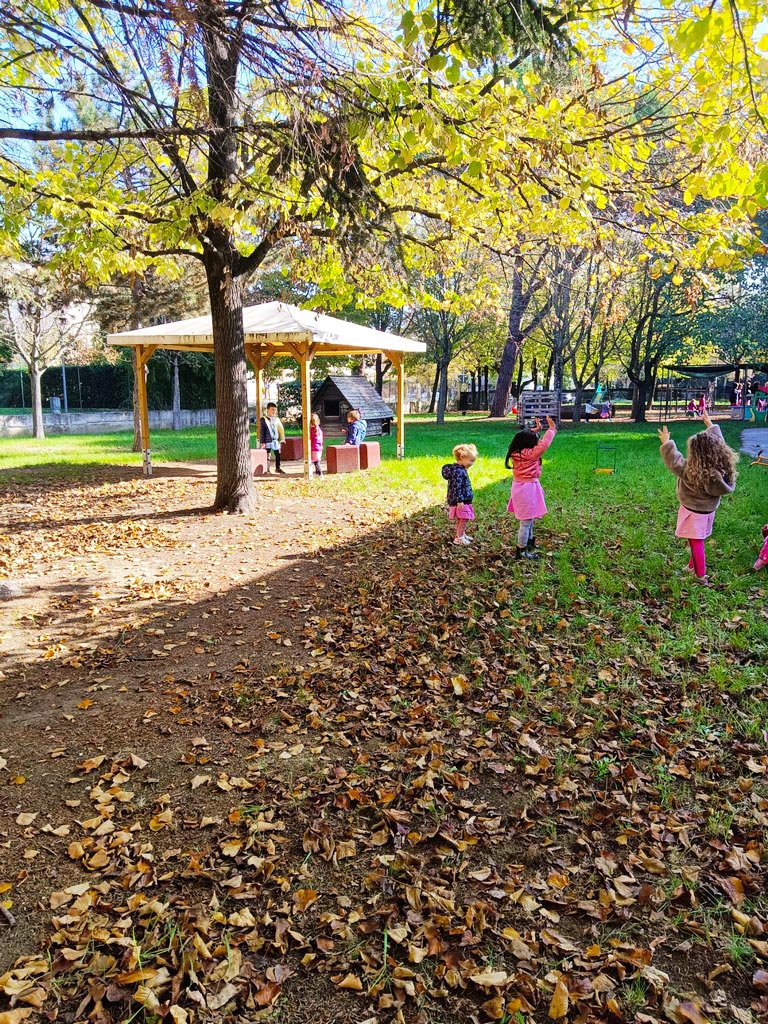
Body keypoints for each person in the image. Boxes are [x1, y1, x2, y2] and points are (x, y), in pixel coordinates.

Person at [658, 410, 738, 586]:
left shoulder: (691, 471)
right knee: (695, 538)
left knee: (696, 543)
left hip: (693, 512)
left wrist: (667, 442)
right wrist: (710, 425)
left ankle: (700, 577)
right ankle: (691, 566)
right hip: (707, 511)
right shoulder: (718, 468)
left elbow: (674, 461)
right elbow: (720, 442)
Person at [505, 415, 557, 560]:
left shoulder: (517, 452)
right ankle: (521, 552)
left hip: (521, 487)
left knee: (529, 519)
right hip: (527, 489)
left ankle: (529, 543)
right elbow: (544, 444)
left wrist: (535, 431)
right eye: (534, 440)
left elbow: (525, 438)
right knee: (526, 522)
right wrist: (551, 429)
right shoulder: (531, 454)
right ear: (529, 444)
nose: (537, 442)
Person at [441, 443, 477, 546]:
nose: (472, 463)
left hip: (463, 499)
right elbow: (456, 486)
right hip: (460, 501)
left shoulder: (460, 470)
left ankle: (460, 534)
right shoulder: (458, 471)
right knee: (463, 518)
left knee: (462, 518)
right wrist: (459, 500)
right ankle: (459, 538)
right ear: (462, 457)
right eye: (471, 461)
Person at [259, 402, 286, 474]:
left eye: (275, 410)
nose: (274, 411)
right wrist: (262, 442)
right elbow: (262, 432)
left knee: (278, 454)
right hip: (268, 440)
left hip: (275, 440)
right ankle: (267, 469)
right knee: (268, 455)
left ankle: (278, 467)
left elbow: (280, 429)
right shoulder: (263, 420)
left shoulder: (276, 419)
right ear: (267, 410)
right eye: (272, 409)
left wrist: (281, 438)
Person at [310, 412, 323, 477]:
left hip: (314, 448)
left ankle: (320, 474)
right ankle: (317, 473)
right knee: (316, 461)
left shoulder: (312, 430)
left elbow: (311, 439)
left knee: (316, 462)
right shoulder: (318, 429)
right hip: (319, 448)